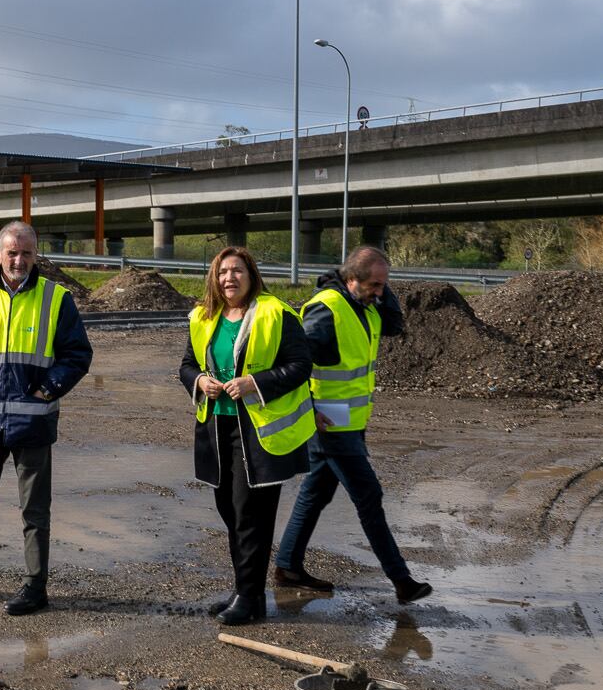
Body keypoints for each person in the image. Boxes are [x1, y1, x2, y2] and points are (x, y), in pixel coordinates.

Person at [0, 221, 93, 615]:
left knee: (35, 512)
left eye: (26, 253)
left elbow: (77, 355)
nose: (19, 260)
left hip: (34, 424)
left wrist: (49, 389)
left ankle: (34, 587)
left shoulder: (57, 300)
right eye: (12, 252)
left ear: (36, 255)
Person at [271, 246, 432, 604]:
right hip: (329, 424)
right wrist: (308, 409)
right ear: (351, 279)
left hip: (350, 421)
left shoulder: (366, 306)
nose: (380, 292)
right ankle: (402, 580)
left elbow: (395, 324)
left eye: (383, 285)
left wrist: (380, 290)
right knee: (369, 496)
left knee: (316, 493)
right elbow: (291, 359)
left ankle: (287, 567)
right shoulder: (326, 310)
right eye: (374, 284)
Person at [178, 247, 315, 625]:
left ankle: (250, 597)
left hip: (257, 432)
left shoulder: (276, 313)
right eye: (222, 272)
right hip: (217, 427)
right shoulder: (203, 317)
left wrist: (256, 383)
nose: (229, 278)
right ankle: (245, 592)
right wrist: (199, 380)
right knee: (230, 511)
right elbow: (187, 366)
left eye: (237, 271)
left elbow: (301, 366)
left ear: (251, 275)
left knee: (248, 515)